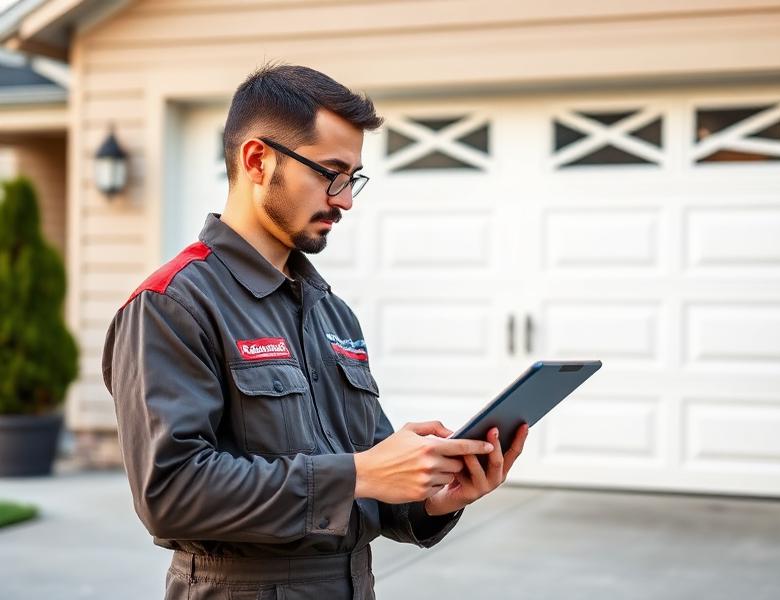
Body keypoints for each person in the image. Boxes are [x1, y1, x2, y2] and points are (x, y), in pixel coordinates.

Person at [101, 63, 529, 600]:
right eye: (330, 173)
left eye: (352, 178)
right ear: (258, 160)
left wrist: (432, 498)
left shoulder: (331, 312)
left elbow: (368, 479)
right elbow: (170, 493)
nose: (345, 199)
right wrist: (356, 474)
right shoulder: (173, 305)